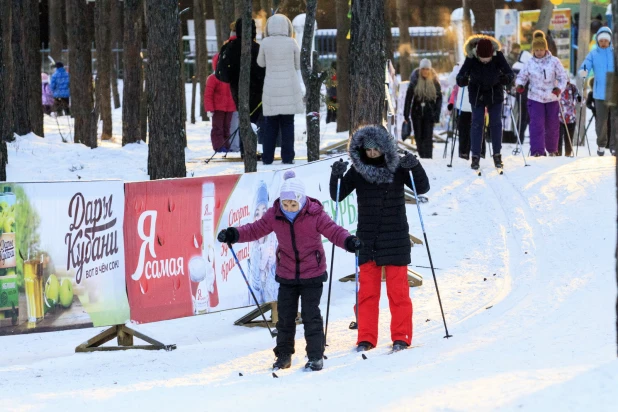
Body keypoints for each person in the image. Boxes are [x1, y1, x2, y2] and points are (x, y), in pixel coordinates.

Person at [217, 170, 361, 371]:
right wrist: (233, 234)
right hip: (286, 273)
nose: (289, 208)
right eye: (286, 204)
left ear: (301, 201)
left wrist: (349, 241)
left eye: (293, 204)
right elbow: (255, 229)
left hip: (312, 273)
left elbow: (334, 231)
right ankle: (283, 355)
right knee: (285, 316)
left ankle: (315, 355)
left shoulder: (315, 214)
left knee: (311, 316)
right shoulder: (275, 215)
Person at [329, 125, 430, 353]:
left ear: (384, 148)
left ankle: (401, 336)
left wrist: (415, 166)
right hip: (368, 239)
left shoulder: (397, 168)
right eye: (368, 149)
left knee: (398, 293)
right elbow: (337, 195)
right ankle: (366, 337)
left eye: (376, 149)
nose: (372, 153)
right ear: (361, 150)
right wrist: (336, 175)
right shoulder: (358, 171)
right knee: (367, 293)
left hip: (395, 238)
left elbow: (422, 187)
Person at [456, 35, 514, 170]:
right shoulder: (471, 58)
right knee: (477, 123)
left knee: (496, 123)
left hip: (495, 93)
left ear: (491, 54)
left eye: (487, 58)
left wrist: (506, 78)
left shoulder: (498, 56)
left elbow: (510, 73)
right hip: (477, 93)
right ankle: (475, 156)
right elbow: (461, 75)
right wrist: (462, 80)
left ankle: (497, 155)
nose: (485, 60)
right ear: (477, 54)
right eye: (482, 58)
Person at [257, 14, 305, 165]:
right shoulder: (292, 42)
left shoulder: (265, 43)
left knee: (270, 125)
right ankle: (288, 157)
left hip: (271, 88)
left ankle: (267, 157)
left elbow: (260, 63)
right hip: (289, 88)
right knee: (288, 124)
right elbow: (298, 65)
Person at [217, 18, 266, 152]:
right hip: (257, 93)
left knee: (244, 121)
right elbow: (263, 69)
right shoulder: (257, 48)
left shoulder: (230, 47)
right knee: (256, 121)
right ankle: (257, 150)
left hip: (237, 91)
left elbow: (221, 72)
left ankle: (246, 151)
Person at [516, 31, 567, 157]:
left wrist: (559, 88)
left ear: (546, 49)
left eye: (541, 49)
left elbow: (563, 77)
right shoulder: (529, 63)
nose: (539, 52)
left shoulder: (554, 61)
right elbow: (521, 76)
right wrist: (520, 85)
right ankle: (537, 151)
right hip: (535, 97)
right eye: (536, 49)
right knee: (536, 124)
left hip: (552, 97)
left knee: (552, 125)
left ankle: (552, 149)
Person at [579, 27, 615, 156]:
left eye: (606, 40)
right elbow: (586, 64)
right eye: (601, 41)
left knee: (615, 120)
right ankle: (601, 144)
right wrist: (583, 71)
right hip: (599, 93)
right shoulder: (593, 54)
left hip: (614, 92)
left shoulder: (614, 53)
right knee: (601, 121)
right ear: (598, 41)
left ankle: (614, 146)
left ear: (610, 41)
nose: (604, 43)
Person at [403, 59, 442, 159]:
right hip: (417, 112)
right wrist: (406, 114)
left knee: (428, 136)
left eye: (427, 69)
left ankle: (428, 156)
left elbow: (439, 98)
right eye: (423, 69)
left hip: (429, 112)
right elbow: (408, 98)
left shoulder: (434, 82)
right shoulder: (414, 80)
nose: (425, 71)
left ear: (430, 70)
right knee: (418, 136)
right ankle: (422, 155)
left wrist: (437, 114)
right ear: (420, 70)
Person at [205, 53, 237, 152]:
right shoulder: (213, 78)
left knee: (227, 128)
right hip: (218, 108)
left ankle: (226, 146)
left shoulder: (231, 77)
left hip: (230, 107)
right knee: (218, 128)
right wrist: (209, 108)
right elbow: (208, 95)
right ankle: (219, 146)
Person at [448, 63, 474, 159]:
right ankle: (464, 152)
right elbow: (454, 91)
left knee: (472, 131)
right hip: (462, 107)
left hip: (473, 106)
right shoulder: (459, 72)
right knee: (463, 130)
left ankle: (472, 152)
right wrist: (451, 103)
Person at [558, 80, 580, 157]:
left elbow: (579, 97)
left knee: (569, 137)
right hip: (559, 117)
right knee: (558, 137)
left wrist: (580, 98)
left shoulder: (573, 87)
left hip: (571, 117)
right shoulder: (556, 86)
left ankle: (568, 153)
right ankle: (558, 153)